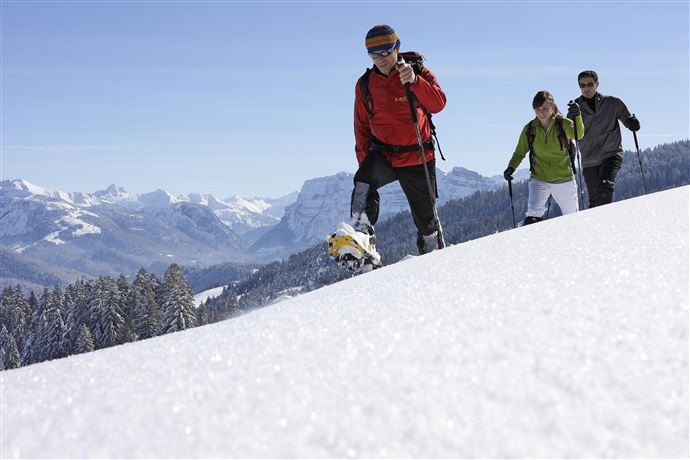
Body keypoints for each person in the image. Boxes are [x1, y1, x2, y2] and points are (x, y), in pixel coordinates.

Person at [350, 25, 447, 256]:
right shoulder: (365, 84)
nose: (380, 59)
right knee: (362, 182)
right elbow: (361, 127)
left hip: (417, 154)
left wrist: (415, 81)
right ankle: (361, 239)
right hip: (383, 154)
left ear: (397, 48)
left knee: (426, 221)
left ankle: (432, 251)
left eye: (385, 52)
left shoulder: (419, 73)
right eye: (374, 55)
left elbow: (438, 104)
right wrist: (365, 164)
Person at [503, 90, 585, 225]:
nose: (541, 112)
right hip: (539, 179)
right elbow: (519, 152)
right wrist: (511, 168)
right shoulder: (530, 129)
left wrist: (577, 116)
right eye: (537, 109)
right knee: (532, 217)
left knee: (572, 219)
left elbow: (579, 135)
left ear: (552, 107)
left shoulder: (564, 124)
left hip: (564, 179)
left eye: (545, 109)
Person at [574, 70, 640, 207]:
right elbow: (569, 133)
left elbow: (627, 120)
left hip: (611, 154)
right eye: (583, 85)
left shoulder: (612, 103)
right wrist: (572, 116)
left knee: (605, 187)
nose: (586, 88)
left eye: (590, 84)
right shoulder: (576, 108)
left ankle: (607, 221)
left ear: (597, 84)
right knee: (594, 202)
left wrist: (633, 123)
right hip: (589, 160)